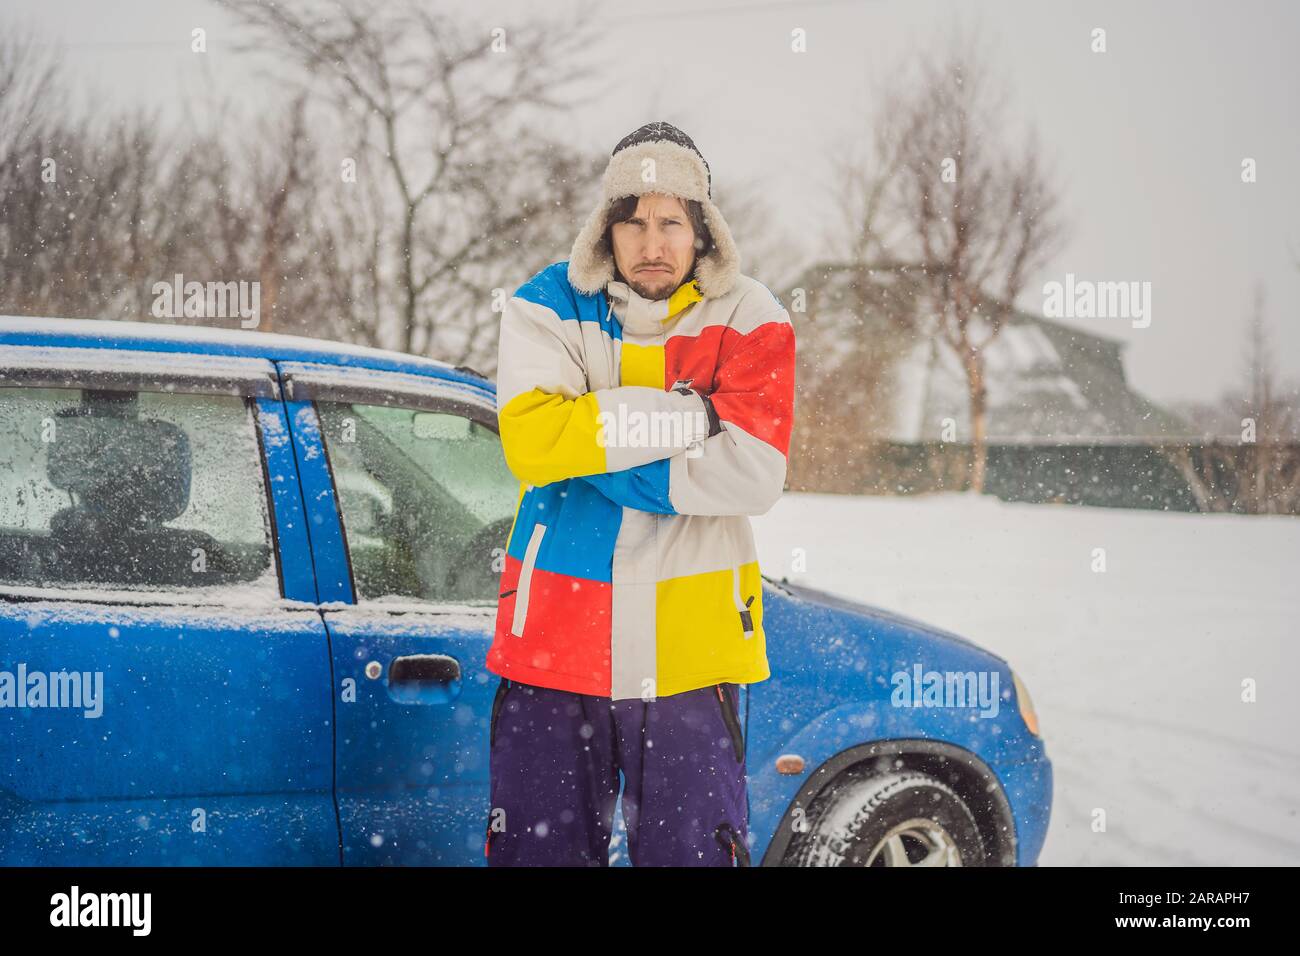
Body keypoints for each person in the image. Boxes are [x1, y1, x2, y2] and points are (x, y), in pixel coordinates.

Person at [484, 121, 796, 866]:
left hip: (691, 657)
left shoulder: (752, 316)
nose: (651, 242)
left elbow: (753, 472)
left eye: (671, 221)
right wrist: (695, 416)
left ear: (703, 230)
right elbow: (529, 441)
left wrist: (583, 437)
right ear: (606, 229)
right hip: (553, 648)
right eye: (633, 221)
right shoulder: (546, 302)